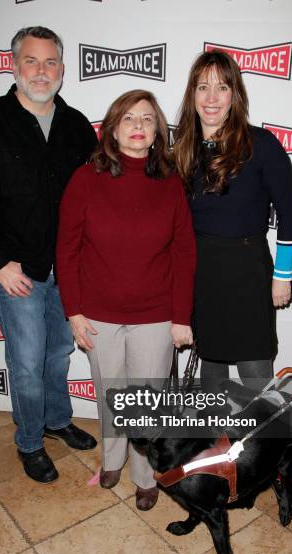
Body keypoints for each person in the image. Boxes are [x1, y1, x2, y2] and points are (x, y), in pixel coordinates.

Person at [0, 26, 98, 484]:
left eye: (50, 62)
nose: (41, 71)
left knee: (57, 355)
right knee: (28, 362)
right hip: (17, 272)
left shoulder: (76, 126)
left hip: (67, 270)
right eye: (31, 61)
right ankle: (30, 441)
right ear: (14, 65)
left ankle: (56, 421)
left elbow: (95, 201)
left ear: (63, 70)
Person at [173, 50, 292, 512]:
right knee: (210, 381)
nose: (212, 97)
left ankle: (282, 472)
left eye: (222, 87)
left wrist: (282, 276)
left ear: (235, 94)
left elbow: (290, 214)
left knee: (256, 383)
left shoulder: (261, 144)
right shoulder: (181, 149)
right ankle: (217, 467)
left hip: (250, 272)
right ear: (192, 93)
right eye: (202, 86)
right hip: (200, 274)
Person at [56, 89, 196, 510]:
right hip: (97, 314)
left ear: (158, 132)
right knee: (109, 392)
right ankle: (112, 459)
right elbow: (67, 249)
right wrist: (73, 312)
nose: (138, 127)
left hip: (155, 315)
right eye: (129, 119)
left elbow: (184, 252)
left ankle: (144, 473)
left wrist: (181, 317)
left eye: (148, 119)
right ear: (112, 129)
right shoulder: (84, 179)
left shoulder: (171, 184)